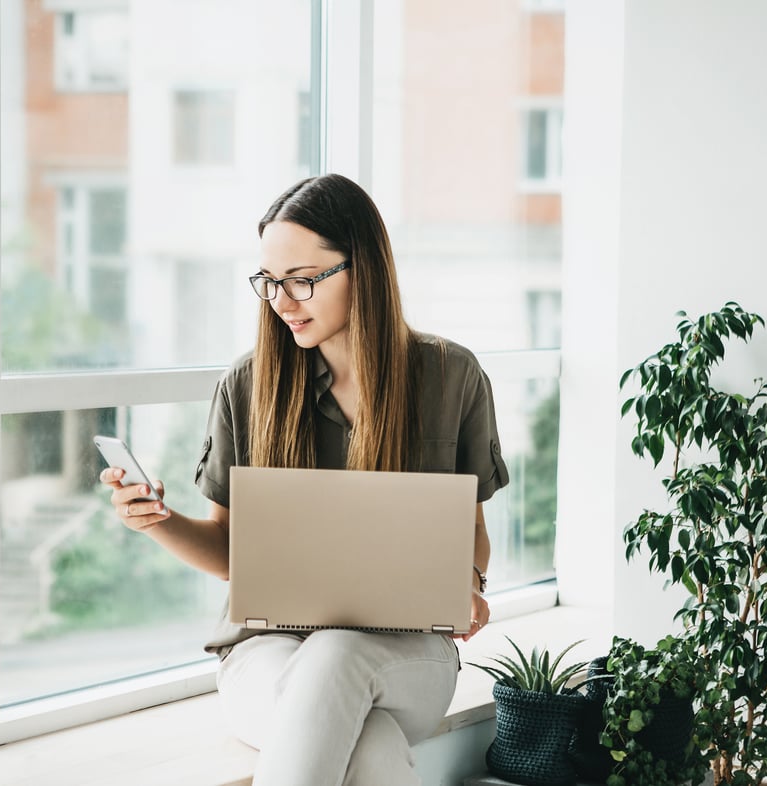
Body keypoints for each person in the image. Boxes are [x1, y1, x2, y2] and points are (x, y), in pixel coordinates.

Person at [101, 173, 509, 785]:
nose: (282, 301)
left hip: (407, 654)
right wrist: (156, 520)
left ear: (364, 269)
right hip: (266, 653)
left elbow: (469, 526)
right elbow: (231, 553)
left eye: (302, 280)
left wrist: (468, 583)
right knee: (369, 743)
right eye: (269, 282)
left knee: (339, 652)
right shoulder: (248, 384)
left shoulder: (451, 375)